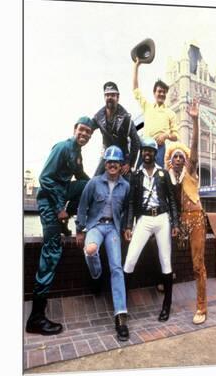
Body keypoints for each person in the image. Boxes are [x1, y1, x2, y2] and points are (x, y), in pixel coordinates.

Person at [25, 117, 94, 335]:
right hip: (48, 202)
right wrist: (58, 209)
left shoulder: (77, 154)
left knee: (88, 186)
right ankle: (36, 317)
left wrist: (101, 182)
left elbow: (82, 179)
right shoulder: (63, 148)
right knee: (52, 251)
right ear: (74, 129)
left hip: (59, 200)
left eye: (88, 133)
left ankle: (63, 222)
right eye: (81, 130)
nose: (83, 134)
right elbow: (45, 178)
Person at [76, 146, 130, 341]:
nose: (112, 165)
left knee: (117, 267)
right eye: (109, 161)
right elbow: (82, 206)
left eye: (116, 162)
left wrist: (126, 227)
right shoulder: (94, 183)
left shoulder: (125, 186)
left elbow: (127, 209)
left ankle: (121, 317)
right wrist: (79, 229)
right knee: (90, 250)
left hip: (113, 229)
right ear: (105, 164)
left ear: (121, 164)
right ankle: (97, 275)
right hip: (95, 227)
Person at [123, 138, 179, 322]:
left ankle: (166, 306)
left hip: (162, 218)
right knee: (130, 259)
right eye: (145, 151)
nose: (147, 153)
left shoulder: (163, 174)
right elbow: (131, 202)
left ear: (155, 153)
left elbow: (172, 200)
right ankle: (122, 306)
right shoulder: (136, 175)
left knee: (165, 261)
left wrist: (175, 224)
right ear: (142, 153)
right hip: (144, 219)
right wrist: (129, 225)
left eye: (151, 151)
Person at [165, 98, 208, 325]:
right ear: (171, 162)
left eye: (182, 156)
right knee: (162, 245)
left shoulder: (190, 171)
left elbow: (194, 148)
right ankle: (163, 279)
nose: (180, 158)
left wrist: (195, 120)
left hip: (196, 220)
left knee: (197, 264)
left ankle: (201, 306)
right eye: (176, 157)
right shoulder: (169, 179)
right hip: (179, 222)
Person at [133, 58, 178, 167]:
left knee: (157, 176)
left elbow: (176, 136)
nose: (162, 94)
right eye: (159, 91)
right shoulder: (147, 107)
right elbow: (135, 90)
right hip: (144, 146)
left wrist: (166, 135)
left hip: (159, 148)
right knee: (139, 172)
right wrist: (136, 66)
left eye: (164, 92)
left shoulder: (171, 113)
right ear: (154, 93)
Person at [92, 81, 140, 178]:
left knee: (127, 183)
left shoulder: (126, 117)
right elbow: (87, 129)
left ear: (117, 97)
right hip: (106, 155)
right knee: (95, 180)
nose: (109, 97)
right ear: (104, 97)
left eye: (112, 95)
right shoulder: (98, 117)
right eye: (107, 95)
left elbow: (136, 141)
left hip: (123, 156)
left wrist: (129, 163)